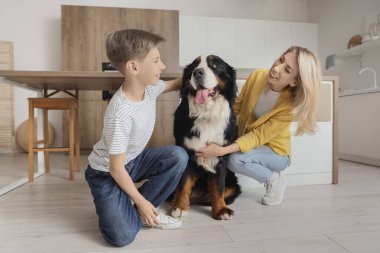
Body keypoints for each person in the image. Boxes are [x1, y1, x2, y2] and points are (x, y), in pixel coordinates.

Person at [85, 29, 188, 247]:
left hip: (134, 160)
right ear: (133, 67)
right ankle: (139, 209)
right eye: (156, 60)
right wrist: (139, 201)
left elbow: (173, 84)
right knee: (121, 238)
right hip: (106, 172)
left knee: (178, 156)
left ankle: (140, 210)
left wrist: (198, 70)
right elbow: (116, 169)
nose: (162, 66)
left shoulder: (149, 89)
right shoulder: (120, 113)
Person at [196, 46, 321, 206]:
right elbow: (237, 108)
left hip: (276, 153)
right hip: (252, 143)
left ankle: (276, 179)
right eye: (281, 60)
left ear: (295, 81)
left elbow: (257, 136)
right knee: (228, 154)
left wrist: (221, 150)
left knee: (233, 160)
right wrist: (212, 113)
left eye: (287, 69)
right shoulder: (257, 76)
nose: (276, 68)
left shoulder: (288, 107)